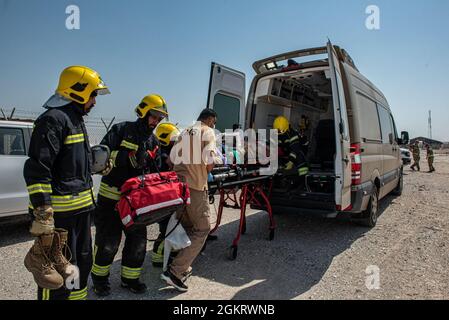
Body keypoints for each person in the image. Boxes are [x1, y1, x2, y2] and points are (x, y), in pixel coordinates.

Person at [23, 65, 110, 300]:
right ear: (78, 91)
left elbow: (71, 162)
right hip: (60, 219)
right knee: (57, 276)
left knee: (81, 263)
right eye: (92, 94)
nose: (94, 101)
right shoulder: (52, 120)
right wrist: (43, 212)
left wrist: (97, 164)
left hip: (81, 213)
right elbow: (37, 169)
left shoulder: (75, 119)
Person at [91, 94, 167, 296]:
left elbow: (155, 171)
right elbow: (100, 160)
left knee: (138, 243)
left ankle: (130, 278)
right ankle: (99, 279)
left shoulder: (154, 141)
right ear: (143, 111)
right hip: (111, 199)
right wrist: (126, 157)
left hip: (136, 203)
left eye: (159, 119)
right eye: (154, 116)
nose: (156, 122)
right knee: (108, 242)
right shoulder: (121, 130)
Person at [161, 108, 221, 291]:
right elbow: (209, 162)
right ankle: (175, 271)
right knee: (203, 229)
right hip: (195, 187)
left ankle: (179, 263)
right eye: (214, 122)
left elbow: (171, 160)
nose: (214, 125)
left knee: (187, 227)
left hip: (178, 188)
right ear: (210, 119)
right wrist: (216, 162)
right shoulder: (207, 131)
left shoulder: (184, 131)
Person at [151, 122, 181, 268]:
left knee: (166, 228)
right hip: (164, 199)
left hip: (163, 198)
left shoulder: (163, 152)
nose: (176, 142)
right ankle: (158, 257)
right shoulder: (163, 156)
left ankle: (160, 256)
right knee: (167, 229)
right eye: (173, 139)